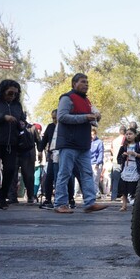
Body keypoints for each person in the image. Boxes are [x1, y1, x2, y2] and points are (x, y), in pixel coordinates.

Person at [53, 73, 107, 214]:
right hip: (69, 143)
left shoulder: (86, 101)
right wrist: (85, 117)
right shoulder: (67, 98)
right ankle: (60, 203)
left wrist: (95, 117)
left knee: (87, 173)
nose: (86, 85)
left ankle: (90, 203)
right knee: (64, 173)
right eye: (83, 82)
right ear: (74, 84)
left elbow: (90, 120)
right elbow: (62, 117)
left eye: (87, 82)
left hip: (83, 144)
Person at [0, 79, 25, 209]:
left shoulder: (17, 105)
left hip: (11, 143)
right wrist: (3, 117)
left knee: (10, 170)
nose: (12, 96)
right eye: (10, 93)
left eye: (15, 94)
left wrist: (22, 123)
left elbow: (21, 119)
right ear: (2, 91)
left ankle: (3, 197)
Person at [116, 127, 140, 211]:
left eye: (130, 134)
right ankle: (124, 205)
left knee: (136, 187)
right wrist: (123, 156)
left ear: (135, 135)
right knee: (124, 187)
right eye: (127, 134)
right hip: (126, 167)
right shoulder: (124, 146)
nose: (128, 136)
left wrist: (134, 154)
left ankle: (138, 205)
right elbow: (119, 158)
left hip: (136, 167)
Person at [110, 125, 126, 201]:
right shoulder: (125, 140)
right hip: (123, 162)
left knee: (115, 181)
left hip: (115, 162)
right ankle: (125, 197)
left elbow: (112, 150)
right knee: (125, 180)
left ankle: (113, 196)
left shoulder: (114, 140)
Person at [90, 128, 104, 198]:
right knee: (90, 179)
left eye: (93, 134)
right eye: (91, 134)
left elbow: (101, 153)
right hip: (89, 162)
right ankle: (94, 193)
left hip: (96, 163)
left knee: (95, 179)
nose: (92, 136)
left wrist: (98, 163)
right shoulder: (87, 141)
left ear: (95, 134)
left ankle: (97, 193)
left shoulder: (99, 142)